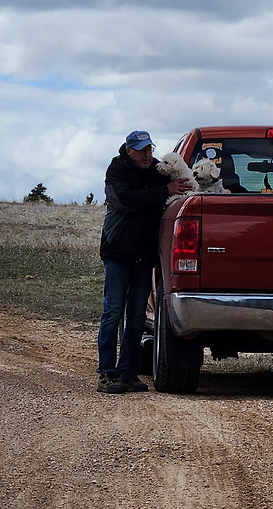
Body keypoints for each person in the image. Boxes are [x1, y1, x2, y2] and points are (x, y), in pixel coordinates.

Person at [96, 130, 191, 393]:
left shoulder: (156, 170)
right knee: (113, 311)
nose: (147, 155)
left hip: (143, 255)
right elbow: (126, 200)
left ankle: (128, 373)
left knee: (137, 315)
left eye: (149, 149)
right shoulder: (116, 172)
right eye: (141, 150)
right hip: (118, 252)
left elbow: (177, 184)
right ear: (128, 151)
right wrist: (165, 191)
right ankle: (106, 373)